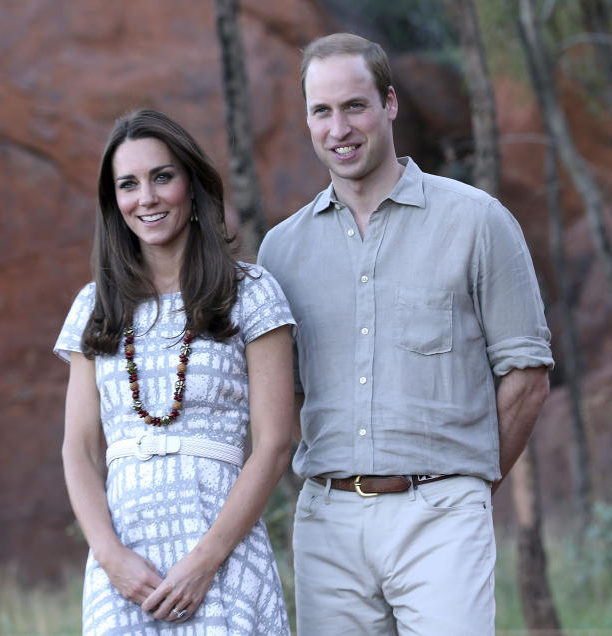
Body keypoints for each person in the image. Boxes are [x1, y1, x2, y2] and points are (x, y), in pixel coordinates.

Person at [257, 33, 554, 635]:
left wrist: (470, 483)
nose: (339, 128)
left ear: (390, 103)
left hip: (442, 514)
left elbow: (526, 376)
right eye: (322, 111)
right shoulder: (281, 250)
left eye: (355, 106)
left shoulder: (477, 222)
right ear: (307, 119)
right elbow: (283, 392)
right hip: (328, 523)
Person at [55, 109, 293, 635]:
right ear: (113, 203)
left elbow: (276, 441)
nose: (148, 198)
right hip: (125, 570)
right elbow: (79, 449)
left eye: (162, 177)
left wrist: (203, 562)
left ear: (190, 184)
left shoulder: (251, 292)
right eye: (129, 185)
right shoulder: (93, 308)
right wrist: (110, 556)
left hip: (223, 559)